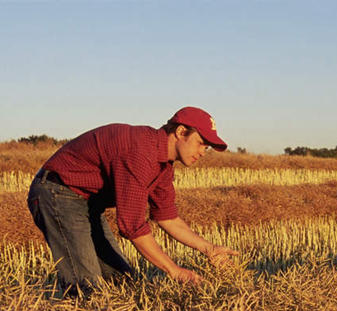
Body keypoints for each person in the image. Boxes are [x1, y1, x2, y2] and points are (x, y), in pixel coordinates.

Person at [27, 106, 238, 295]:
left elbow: (168, 218)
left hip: (89, 203)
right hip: (57, 193)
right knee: (87, 289)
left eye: (207, 148)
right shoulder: (140, 152)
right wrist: (174, 271)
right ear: (181, 132)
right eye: (201, 144)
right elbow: (132, 226)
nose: (203, 152)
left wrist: (209, 249)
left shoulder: (164, 166)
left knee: (123, 283)